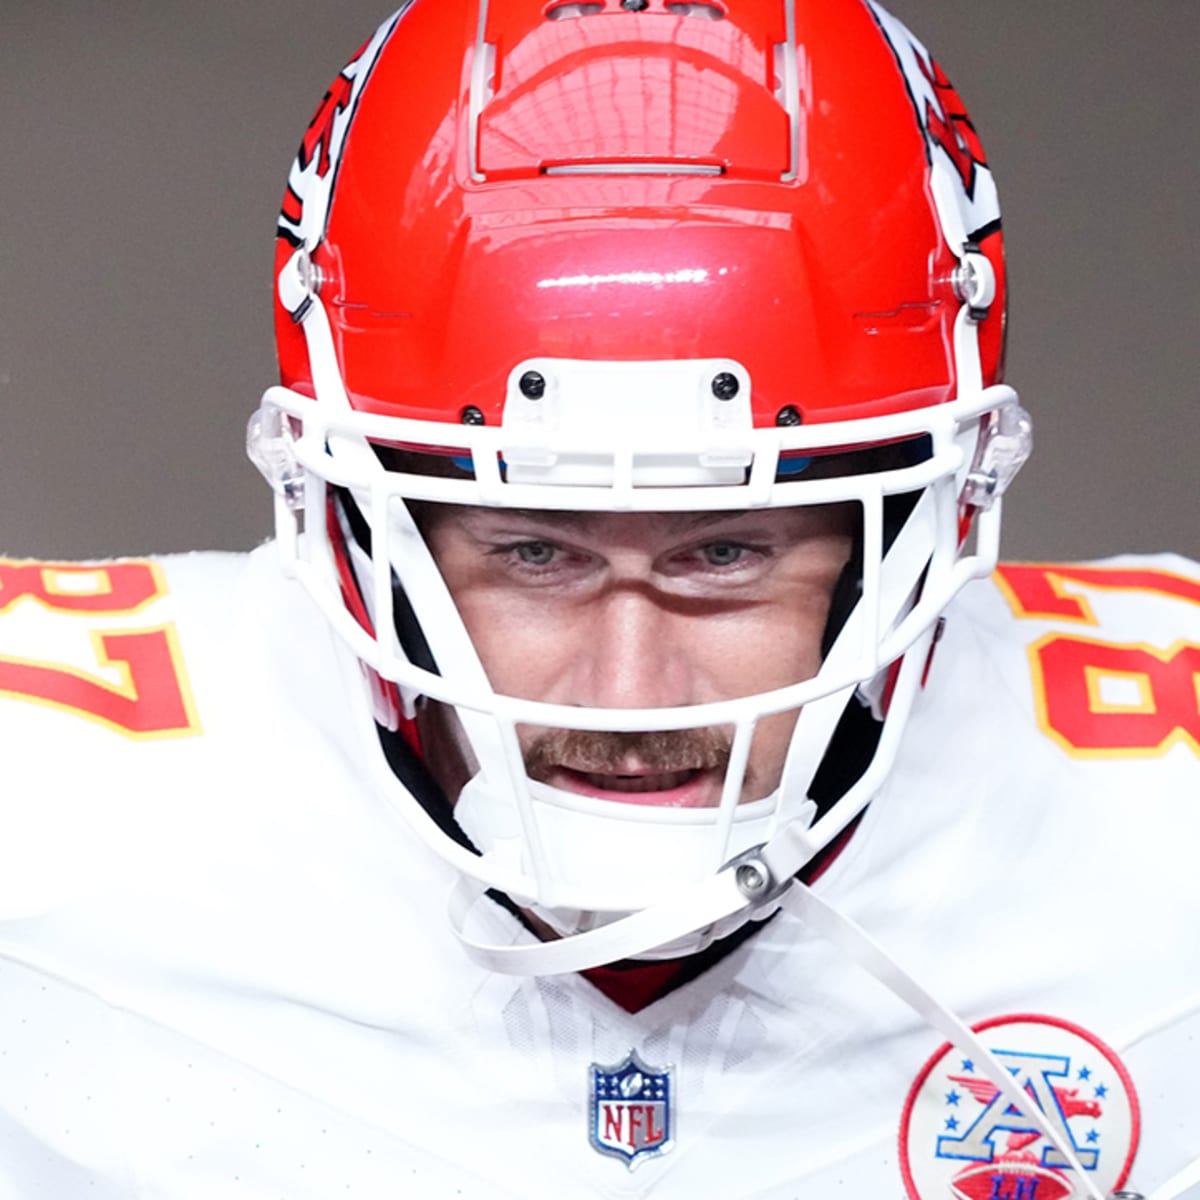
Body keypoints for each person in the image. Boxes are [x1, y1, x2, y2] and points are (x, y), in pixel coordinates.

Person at [1, 2, 1197, 1197]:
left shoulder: (1160, 822)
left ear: (912, 541)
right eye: (534, 553)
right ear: (360, 531)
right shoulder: (47, 799)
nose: (630, 694)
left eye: (727, 553)